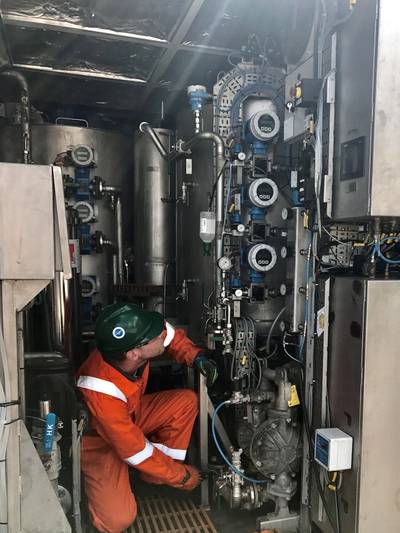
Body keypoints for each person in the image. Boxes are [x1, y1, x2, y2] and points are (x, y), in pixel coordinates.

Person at [76, 303, 218, 533]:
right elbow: (134, 450)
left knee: (185, 403)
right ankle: (158, 474)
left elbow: (168, 335)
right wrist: (182, 477)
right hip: (100, 442)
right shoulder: (100, 389)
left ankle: (155, 479)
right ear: (134, 353)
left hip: (130, 415)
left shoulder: (132, 348)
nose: (161, 333)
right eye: (153, 336)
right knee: (117, 520)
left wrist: (195, 356)